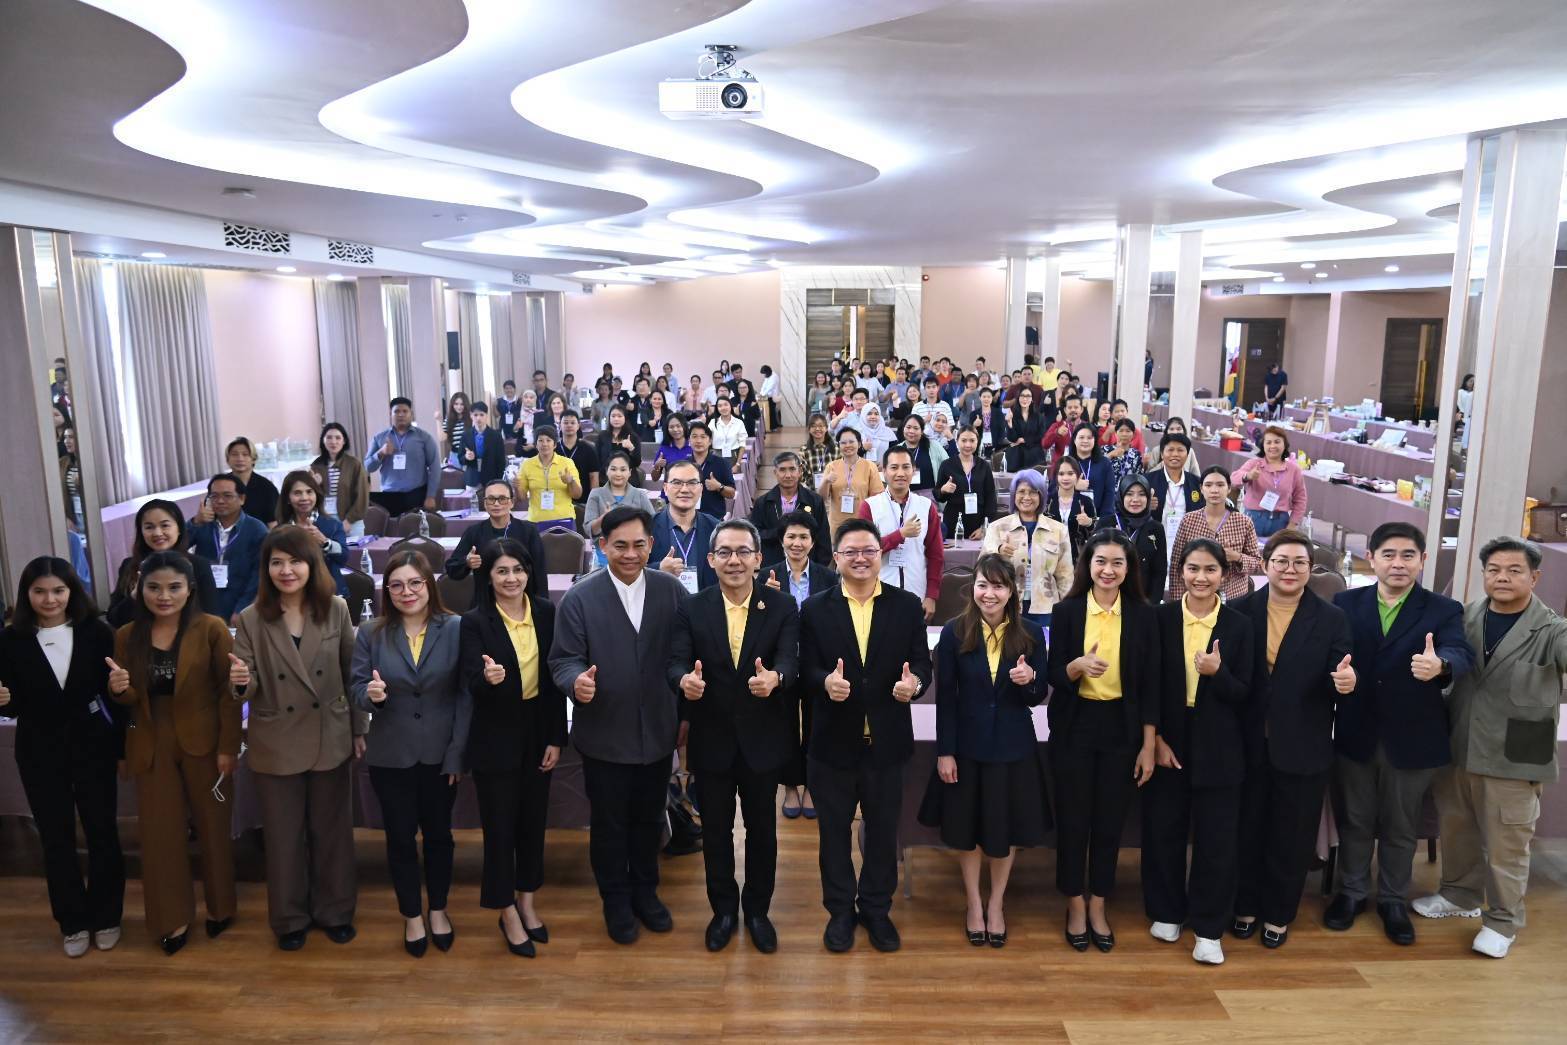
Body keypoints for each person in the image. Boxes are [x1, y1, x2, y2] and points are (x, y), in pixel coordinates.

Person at [1413, 537, 1567, 958]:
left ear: (1534, 577)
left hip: (1514, 756)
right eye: (1494, 570)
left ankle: (1502, 921)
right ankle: (1459, 894)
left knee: (1506, 845)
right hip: (1460, 745)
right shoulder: (1465, 616)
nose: (1502, 577)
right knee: (1456, 828)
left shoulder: (1552, 629)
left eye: (1514, 570)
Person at [1323, 522, 1474, 945]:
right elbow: (1331, 654)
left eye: (1408, 555)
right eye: (1388, 554)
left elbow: (1459, 651)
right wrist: (1338, 675)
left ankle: (1392, 899)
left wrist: (1440, 665)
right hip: (1356, 729)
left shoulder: (1443, 609)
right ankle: (1351, 893)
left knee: (1400, 824)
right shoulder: (1345, 603)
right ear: (1370, 558)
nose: (1398, 564)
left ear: (1422, 560)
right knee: (1355, 819)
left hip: (1412, 735)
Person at [548, 506, 687, 944]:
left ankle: (646, 892)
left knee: (649, 819)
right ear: (602, 545)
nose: (630, 554)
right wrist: (576, 683)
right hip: (604, 734)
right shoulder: (580, 598)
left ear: (652, 545)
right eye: (620, 545)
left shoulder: (671, 591)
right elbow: (563, 660)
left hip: (658, 731)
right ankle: (615, 899)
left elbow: (684, 653)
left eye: (639, 545)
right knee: (609, 826)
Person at [799, 518, 932, 952]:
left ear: (881, 555)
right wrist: (824, 682)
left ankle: (876, 909)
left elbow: (921, 665)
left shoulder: (906, 606)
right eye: (851, 552)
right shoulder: (814, 609)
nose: (860, 558)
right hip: (832, 744)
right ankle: (840, 912)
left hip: (887, 743)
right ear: (836, 558)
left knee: (881, 832)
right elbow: (805, 669)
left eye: (869, 551)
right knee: (834, 835)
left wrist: (914, 685)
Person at [667, 520, 799, 953]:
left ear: (759, 559)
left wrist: (777, 678)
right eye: (724, 552)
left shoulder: (781, 606)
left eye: (743, 551)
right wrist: (684, 681)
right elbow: (675, 662)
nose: (734, 560)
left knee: (763, 831)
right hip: (712, 738)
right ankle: (723, 910)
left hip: (762, 740)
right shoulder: (692, 607)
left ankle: (758, 911)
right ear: (711, 560)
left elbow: (790, 660)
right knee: (717, 832)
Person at [229, 526, 363, 950]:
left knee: (332, 832)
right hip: (277, 741)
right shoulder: (250, 618)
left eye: (295, 561)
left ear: (312, 565)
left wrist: (359, 728)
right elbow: (245, 686)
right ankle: (289, 919)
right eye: (277, 562)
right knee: (283, 837)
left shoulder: (336, 609)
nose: (286, 571)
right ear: (265, 568)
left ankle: (335, 911)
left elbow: (353, 673)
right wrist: (239, 681)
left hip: (330, 734)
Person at [1227, 529, 1356, 949]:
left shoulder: (1331, 618)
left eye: (1300, 562)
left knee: (1292, 834)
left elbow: (1341, 670)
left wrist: (1346, 681)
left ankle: (1279, 913)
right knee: (1247, 829)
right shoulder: (1239, 610)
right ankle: (1245, 905)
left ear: (1310, 569)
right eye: (1281, 561)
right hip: (1248, 742)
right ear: (1265, 565)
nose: (1289, 569)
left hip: (1303, 744)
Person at [107, 551, 240, 954]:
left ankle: (221, 907)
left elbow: (229, 693)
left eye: (174, 587)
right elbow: (130, 700)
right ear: (139, 589)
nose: (163, 596)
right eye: (154, 587)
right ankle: (172, 919)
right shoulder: (127, 635)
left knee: (213, 827)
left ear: (190, 589)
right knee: (160, 834)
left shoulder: (212, 628)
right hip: (150, 738)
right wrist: (118, 690)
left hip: (204, 739)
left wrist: (228, 747)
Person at [918, 554, 1049, 947]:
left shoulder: (1030, 634)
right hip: (968, 747)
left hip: (1012, 746)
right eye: (982, 585)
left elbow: (1037, 695)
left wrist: (1029, 680)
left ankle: (996, 904)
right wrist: (945, 752)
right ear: (972, 588)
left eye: (998, 586)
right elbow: (946, 698)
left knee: (1004, 829)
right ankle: (974, 903)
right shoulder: (954, 632)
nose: (989, 594)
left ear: (1012, 592)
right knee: (968, 830)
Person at [0, 558, 124, 957]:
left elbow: (115, 696)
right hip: (39, 749)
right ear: (26, 595)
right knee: (56, 838)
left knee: (102, 832)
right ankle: (72, 922)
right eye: (39, 591)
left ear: (72, 591)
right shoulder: (11, 639)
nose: (49, 599)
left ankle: (107, 916)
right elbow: (12, 703)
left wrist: (119, 702)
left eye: (58, 590)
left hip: (93, 746)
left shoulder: (97, 632)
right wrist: (4, 700)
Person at [351, 552, 471, 958]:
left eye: (415, 583)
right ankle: (412, 915)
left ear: (429, 585)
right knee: (400, 839)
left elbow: (465, 695)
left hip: (440, 755)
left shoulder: (455, 628)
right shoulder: (371, 632)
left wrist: (457, 754)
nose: (407, 592)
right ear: (387, 591)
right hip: (391, 755)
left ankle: (438, 909)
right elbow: (355, 688)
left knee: (439, 837)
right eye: (397, 585)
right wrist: (371, 695)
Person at [1142, 539, 1256, 965]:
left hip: (1220, 742)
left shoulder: (1240, 625)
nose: (1201, 577)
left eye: (1210, 570)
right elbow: (1148, 683)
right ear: (1180, 572)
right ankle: (1167, 910)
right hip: (1170, 736)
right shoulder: (1161, 618)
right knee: (1164, 829)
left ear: (1224, 575)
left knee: (1216, 838)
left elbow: (1246, 692)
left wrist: (1218, 672)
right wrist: (1156, 738)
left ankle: (1209, 927)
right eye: (1193, 568)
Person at [1047, 530, 1160, 953]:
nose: (1108, 570)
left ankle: (1099, 902)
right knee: (1073, 819)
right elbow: (1054, 675)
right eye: (1101, 562)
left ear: (1129, 569)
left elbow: (1151, 687)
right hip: (1075, 726)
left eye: (1117, 563)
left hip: (1122, 729)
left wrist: (1148, 744)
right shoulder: (1067, 611)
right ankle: (1074, 903)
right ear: (1087, 565)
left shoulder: (1144, 615)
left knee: (1110, 821)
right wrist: (1075, 666)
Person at [458, 539, 566, 959]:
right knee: (500, 829)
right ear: (488, 576)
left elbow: (554, 680)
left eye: (518, 569)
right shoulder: (474, 622)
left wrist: (555, 737)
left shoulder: (546, 611)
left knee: (533, 825)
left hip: (538, 730)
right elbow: (469, 682)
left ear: (529, 573)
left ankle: (527, 902)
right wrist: (488, 680)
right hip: (495, 735)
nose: (511, 578)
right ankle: (506, 911)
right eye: (501, 570)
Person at [762, 512, 838, 821]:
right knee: (785, 724)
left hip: (816, 662)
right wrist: (766, 598)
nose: (797, 543)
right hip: (781, 662)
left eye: (803, 537)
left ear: (813, 542)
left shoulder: (828, 577)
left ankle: (812, 784)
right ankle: (791, 784)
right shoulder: (766, 576)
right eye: (791, 536)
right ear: (781, 541)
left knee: (817, 722)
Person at [857, 445, 943, 621]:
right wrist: (900, 535)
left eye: (906, 467)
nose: (900, 473)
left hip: (917, 594)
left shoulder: (926, 506)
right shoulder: (870, 506)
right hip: (878, 593)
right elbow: (863, 551)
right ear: (884, 472)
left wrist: (931, 595)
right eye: (894, 467)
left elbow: (936, 555)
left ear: (914, 471)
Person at [981, 470, 1076, 627]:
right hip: (1006, 605)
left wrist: (1068, 609)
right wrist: (998, 551)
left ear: (1041, 496)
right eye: (1021, 492)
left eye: (1033, 492)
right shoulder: (997, 527)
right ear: (1014, 495)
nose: (1026, 497)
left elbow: (1065, 576)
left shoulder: (1058, 530)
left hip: (1045, 608)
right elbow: (982, 567)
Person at [108, 500, 222, 627]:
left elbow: (211, 615)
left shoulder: (198, 565)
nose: (157, 533)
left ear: (179, 529)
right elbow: (114, 619)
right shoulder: (129, 565)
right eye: (149, 527)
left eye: (165, 525)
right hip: (141, 637)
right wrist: (135, 596)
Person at [443, 479, 549, 603]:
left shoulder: (528, 531)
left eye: (502, 499)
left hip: (523, 601)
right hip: (485, 602)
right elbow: (452, 570)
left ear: (512, 502)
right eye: (491, 499)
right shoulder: (474, 532)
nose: (496, 504)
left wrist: (542, 606)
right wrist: (466, 562)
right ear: (485, 503)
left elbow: (539, 573)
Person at [1167, 466, 1262, 602]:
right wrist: (1177, 601)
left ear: (1229, 488)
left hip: (1233, 596)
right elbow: (1177, 563)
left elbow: (1258, 564)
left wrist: (1237, 557)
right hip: (1197, 594)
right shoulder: (1189, 520)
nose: (1214, 490)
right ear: (1201, 489)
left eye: (1220, 485)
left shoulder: (1244, 522)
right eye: (1208, 485)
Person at [187, 472, 269, 624]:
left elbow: (259, 574)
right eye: (214, 496)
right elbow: (177, 546)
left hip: (238, 602)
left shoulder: (257, 529)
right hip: (204, 602)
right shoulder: (202, 524)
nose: (220, 501)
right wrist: (195, 522)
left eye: (227, 496)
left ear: (242, 499)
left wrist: (242, 608)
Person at [1092, 474, 1168, 603]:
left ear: (1148, 497)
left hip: (1142, 601)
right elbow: (1092, 563)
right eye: (1129, 494)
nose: (1135, 499)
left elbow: (1159, 572)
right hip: (1106, 600)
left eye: (1141, 494)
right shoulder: (1106, 523)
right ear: (1121, 496)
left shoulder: (1156, 528)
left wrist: (1152, 606)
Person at [275, 470, 350, 598]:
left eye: (309, 492)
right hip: (291, 594)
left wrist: (324, 541)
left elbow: (344, 557)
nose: (304, 498)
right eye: (297, 493)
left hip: (328, 593)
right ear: (287, 498)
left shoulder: (332, 525)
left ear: (317, 495)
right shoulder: (280, 530)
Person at [650, 459, 721, 593]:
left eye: (692, 483)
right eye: (677, 483)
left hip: (705, 603)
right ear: (665, 488)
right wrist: (658, 569)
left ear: (701, 489)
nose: (684, 489)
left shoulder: (717, 529)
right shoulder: (647, 527)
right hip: (662, 602)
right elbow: (631, 569)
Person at [365, 398, 443, 516]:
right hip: (389, 496)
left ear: (411, 414)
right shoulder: (380, 438)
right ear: (390, 414)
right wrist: (381, 453)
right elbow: (368, 467)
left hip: (417, 495)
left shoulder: (424, 437)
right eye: (396, 411)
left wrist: (430, 496)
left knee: (416, 527)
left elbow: (435, 468)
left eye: (405, 411)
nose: (401, 414)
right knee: (391, 528)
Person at [751, 450, 830, 565]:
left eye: (792, 469)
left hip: (808, 565)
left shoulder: (815, 500)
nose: (788, 475)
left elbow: (823, 537)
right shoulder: (763, 503)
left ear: (800, 471)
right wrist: (781, 532)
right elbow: (755, 534)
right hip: (773, 566)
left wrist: (819, 568)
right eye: (782, 470)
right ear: (775, 472)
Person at [1231, 426, 1307, 539]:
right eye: (1268, 442)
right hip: (1253, 519)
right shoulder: (1254, 464)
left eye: (1277, 442)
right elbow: (1233, 479)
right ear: (1263, 445)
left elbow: (1300, 498)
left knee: (1277, 550)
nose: (1273, 446)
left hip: (1281, 522)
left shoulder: (1294, 470)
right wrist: (1248, 476)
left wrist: (1293, 523)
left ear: (1284, 444)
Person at [584, 451, 656, 556]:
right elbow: (589, 529)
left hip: (633, 554)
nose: (618, 474)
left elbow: (653, 524)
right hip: (603, 555)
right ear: (607, 471)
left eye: (623, 469)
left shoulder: (640, 495)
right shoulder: (596, 494)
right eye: (613, 469)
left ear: (629, 472)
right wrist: (603, 519)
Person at [309, 422, 370, 540]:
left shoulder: (354, 464)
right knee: (329, 550)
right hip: (326, 520)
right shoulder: (316, 465)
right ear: (323, 441)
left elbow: (362, 496)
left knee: (353, 551)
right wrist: (315, 485)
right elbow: (311, 498)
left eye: (338, 438)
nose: (333, 442)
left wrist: (349, 520)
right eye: (329, 437)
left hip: (351, 521)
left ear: (344, 441)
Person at [515, 426, 582, 533]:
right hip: (536, 521)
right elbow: (521, 498)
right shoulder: (527, 465)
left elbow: (577, 495)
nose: (544, 444)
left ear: (554, 444)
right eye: (540, 440)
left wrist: (571, 482)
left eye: (548, 440)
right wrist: (516, 487)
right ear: (536, 444)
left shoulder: (567, 463)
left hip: (564, 520)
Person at [1143, 432, 1203, 549]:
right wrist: (1145, 507)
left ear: (1187, 454)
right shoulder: (1147, 481)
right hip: (1155, 543)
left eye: (1180, 450)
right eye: (1170, 450)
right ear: (1162, 454)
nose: (1175, 454)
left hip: (1188, 545)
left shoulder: (1197, 483)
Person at [936, 427, 997, 539]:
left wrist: (984, 527)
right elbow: (938, 494)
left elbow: (991, 497)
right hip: (954, 521)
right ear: (957, 441)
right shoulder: (947, 465)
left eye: (972, 440)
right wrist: (943, 490)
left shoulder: (984, 466)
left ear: (977, 442)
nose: (968, 445)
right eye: (964, 440)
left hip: (978, 521)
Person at [1044, 457, 1097, 563]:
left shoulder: (1086, 501)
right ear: (1056, 476)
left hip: (1077, 558)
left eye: (1070, 473)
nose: (1065, 478)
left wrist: (1089, 523)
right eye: (1061, 474)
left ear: (1077, 475)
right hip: (1050, 556)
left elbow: (1096, 533)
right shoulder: (1047, 501)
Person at [217, 437, 279, 527]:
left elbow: (273, 524)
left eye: (245, 454)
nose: (240, 459)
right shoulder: (219, 484)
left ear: (253, 459)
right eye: (234, 454)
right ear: (228, 460)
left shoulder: (267, 488)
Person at [688, 422, 737, 520]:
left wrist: (719, 487)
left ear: (710, 441)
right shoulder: (684, 465)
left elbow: (732, 494)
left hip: (714, 519)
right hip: (688, 517)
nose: (698, 440)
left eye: (703, 437)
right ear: (689, 440)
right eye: (694, 436)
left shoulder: (722, 463)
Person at [1063, 422, 1112, 512]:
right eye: (1081, 437)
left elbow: (1109, 493)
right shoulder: (1065, 463)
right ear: (1074, 440)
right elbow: (1053, 491)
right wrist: (1073, 487)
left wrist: (1103, 518)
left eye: (1089, 438)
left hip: (1098, 516)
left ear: (1095, 440)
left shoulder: (1104, 463)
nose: (1085, 441)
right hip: (1069, 514)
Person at [458, 402, 507, 489]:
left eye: (481, 415)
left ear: (486, 415)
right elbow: (460, 458)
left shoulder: (496, 436)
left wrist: (498, 481)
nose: (478, 418)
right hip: (472, 479)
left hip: (491, 479)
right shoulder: (466, 435)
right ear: (471, 415)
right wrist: (466, 457)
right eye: (475, 415)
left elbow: (501, 462)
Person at [557, 410, 599, 502]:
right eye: (565, 423)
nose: (569, 425)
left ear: (578, 425)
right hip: (558, 500)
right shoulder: (553, 449)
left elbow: (593, 477)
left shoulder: (589, 449)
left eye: (572, 423)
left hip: (583, 499)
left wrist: (593, 501)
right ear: (560, 425)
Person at [1004, 387, 1045, 473]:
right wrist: (1009, 423)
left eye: (1028, 396)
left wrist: (1024, 439)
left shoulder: (1038, 416)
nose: (1025, 399)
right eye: (1022, 396)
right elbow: (1012, 438)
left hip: (1035, 454)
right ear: (1018, 398)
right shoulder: (1012, 415)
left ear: (1032, 399)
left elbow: (1041, 435)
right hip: (1017, 455)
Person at [1041, 394, 1084, 467]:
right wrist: (1057, 433)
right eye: (1070, 407)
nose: (1073, 410)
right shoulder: (1057, 425)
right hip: (1060, 468)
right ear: (1065, 410)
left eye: (1076, 407)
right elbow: (1045, 444)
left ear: (1082, 409)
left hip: (1081, 467)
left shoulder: (1087, 427)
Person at [649, 413, 694, 481]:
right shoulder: (664, 447)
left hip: (690, 486)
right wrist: (657, 466)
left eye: (678, 426)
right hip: (670, 486)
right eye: (671, 427)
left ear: (684, 426)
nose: (675, 429)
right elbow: (654, 479)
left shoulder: (693, 445)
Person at [1104, 419, 1145, 492]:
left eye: (1128, 431)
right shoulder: (1105, 449)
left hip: (1128, 493)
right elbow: (1098, 468)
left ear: (1133, 434)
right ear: (1115, 433)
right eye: (1121, 431)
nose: (1124, 434)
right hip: (1107, 492)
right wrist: (1111, 454)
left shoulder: (1136, 454)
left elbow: (1139, 477)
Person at [596, 404, 641, 470]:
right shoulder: (602, 436)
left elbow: (637, 463)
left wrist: (631, 448)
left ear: (625, 418)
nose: (616, 419)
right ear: (609, 418)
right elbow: (596, 460)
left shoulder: (633, 437)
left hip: (627, 474)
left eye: (620, 416)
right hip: (606, 473)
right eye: (613, 416)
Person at [798, 413, 838, 487]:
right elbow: (802, 476)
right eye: (813, 426)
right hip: (811, 490)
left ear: (826, 428)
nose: (817, 429)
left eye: (820, 426)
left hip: (833, 490)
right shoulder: (804, 450)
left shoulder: (836, 449)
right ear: (809, 429)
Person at [442, 392, 471, 468]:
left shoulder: (471, 418)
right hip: (454, 455)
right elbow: (442, 438)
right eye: (456, 404)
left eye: (462, 404)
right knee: (455, 475)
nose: (459, 407)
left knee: (469, 475)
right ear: (452, 405)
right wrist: (438, 420)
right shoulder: (448, 420)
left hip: (469, 455)